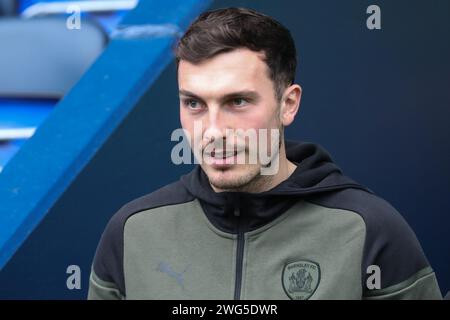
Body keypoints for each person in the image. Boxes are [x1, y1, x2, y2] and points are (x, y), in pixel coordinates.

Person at [88, 7, 442, 300]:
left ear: (288, 104)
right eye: (194, 103)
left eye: (237, 101)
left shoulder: (370, 229)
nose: (212, 131)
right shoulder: (131, 232)